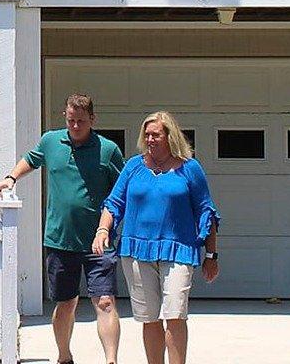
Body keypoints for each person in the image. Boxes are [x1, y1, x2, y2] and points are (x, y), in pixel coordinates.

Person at [0, 93, 125, 364]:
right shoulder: (51, 141)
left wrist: (112, 226)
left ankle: (111, 360)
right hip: (59, 240)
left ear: (93, 119)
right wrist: (10, 178)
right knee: (66, 304)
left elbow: (121, 191)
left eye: (81, 121)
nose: (75, 126)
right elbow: (31, 159)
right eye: (71, 120)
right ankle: (64, 356)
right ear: (65, 117)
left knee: (105, 302)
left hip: (98, 242)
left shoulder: (108, 149)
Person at [93, 111, 219, 364]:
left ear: (169, 137)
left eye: (156, 135)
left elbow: (207, 211)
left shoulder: (189, 168)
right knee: (149, 318)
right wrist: (103, 230)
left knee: (175, 315)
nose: (150, 140)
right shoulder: (133, 166)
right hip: (137, 251)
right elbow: (114, 203)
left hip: (178, 250)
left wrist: (211, 255)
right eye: (147, 135)